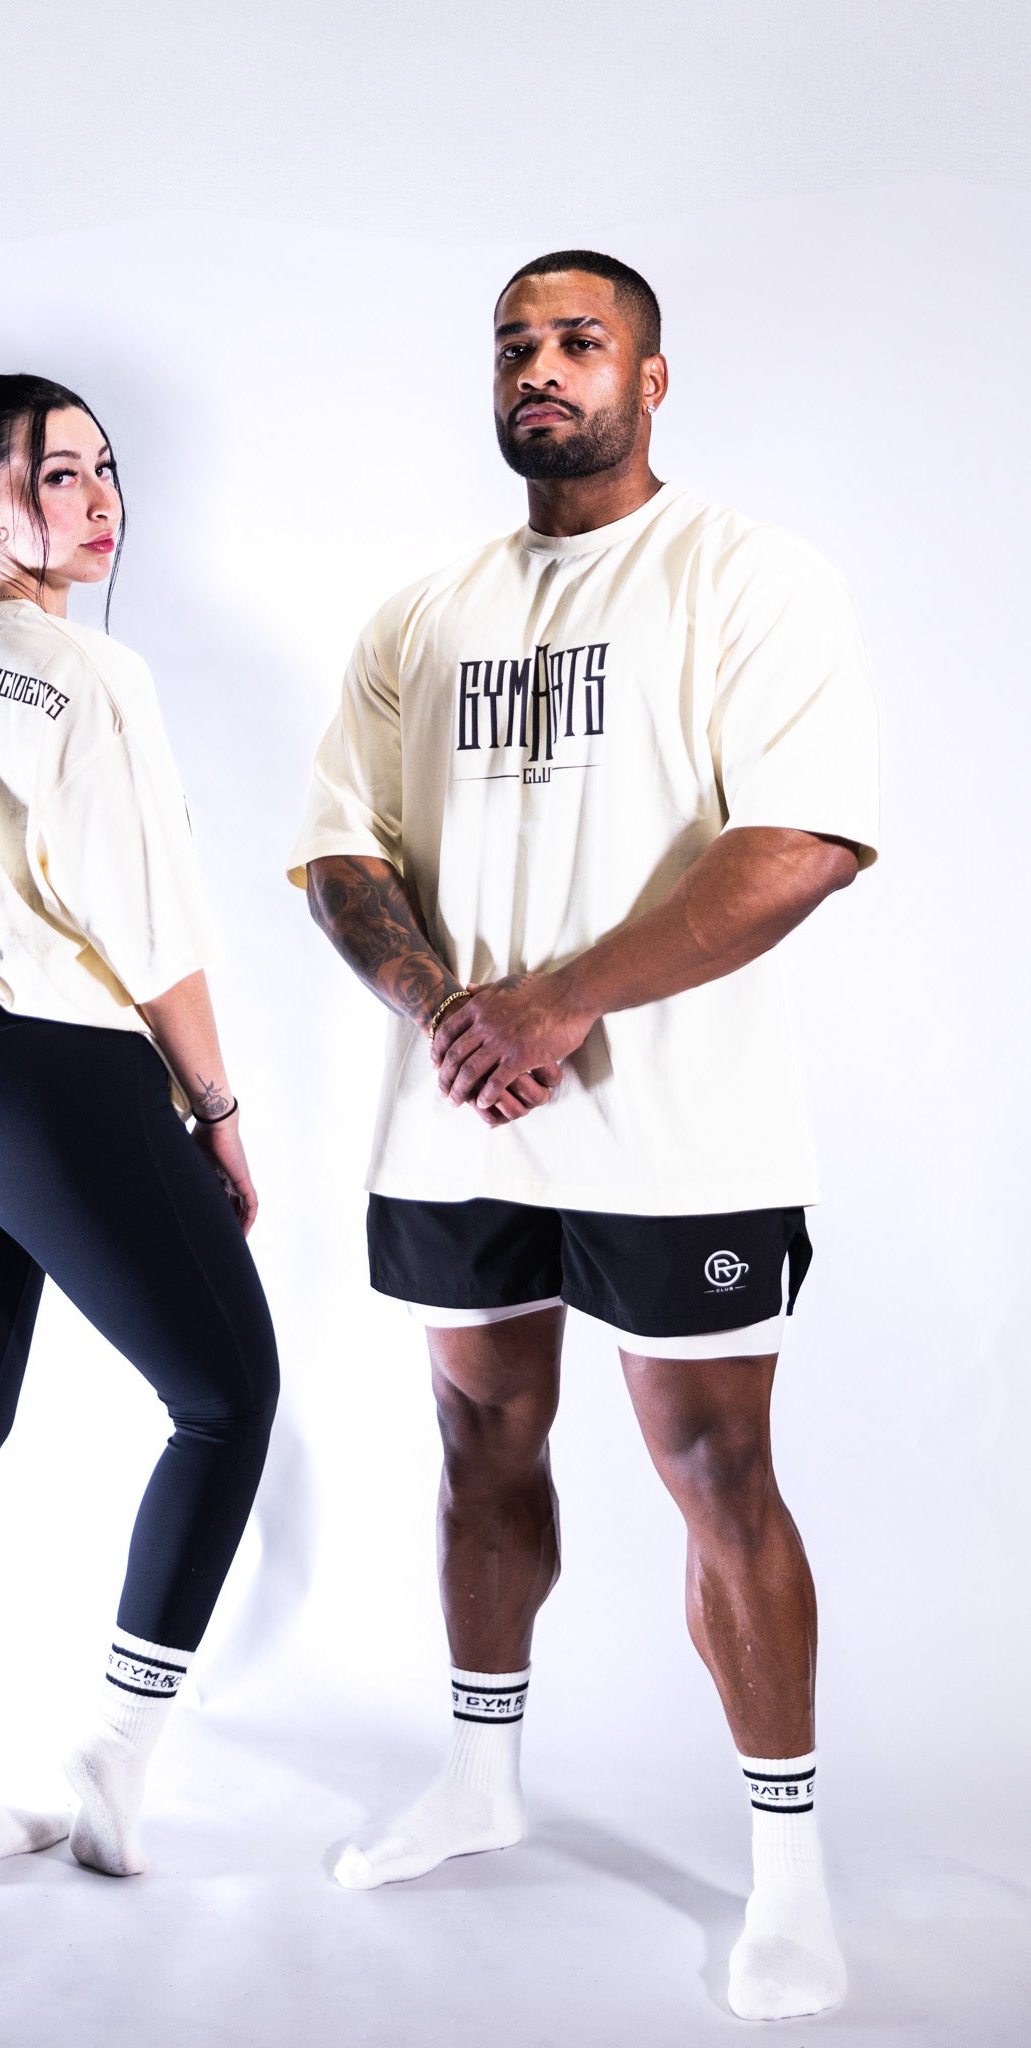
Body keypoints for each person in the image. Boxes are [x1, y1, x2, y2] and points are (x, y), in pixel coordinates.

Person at [290, 252, 878, 2022]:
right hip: (458, 1121)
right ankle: (480, 1778)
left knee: (713, 1469)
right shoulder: (421, 612)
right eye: (512, 347)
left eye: (577, 341)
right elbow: (341, 852)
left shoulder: (750, 575)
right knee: (478, 1443)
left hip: (676, 1126)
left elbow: (801, 842)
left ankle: (787, 1874)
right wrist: (445, 1015)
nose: (538, 369)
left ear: (650, 376)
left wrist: (556, 1003)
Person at [0, 373, 279, 1886]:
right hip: (54, 1075)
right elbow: (151, 930)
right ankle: (117, 1750)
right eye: (59, 475)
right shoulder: (89, 673)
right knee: (228, 1399)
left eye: (106, 468)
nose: (100, 500)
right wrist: (215, 1109)